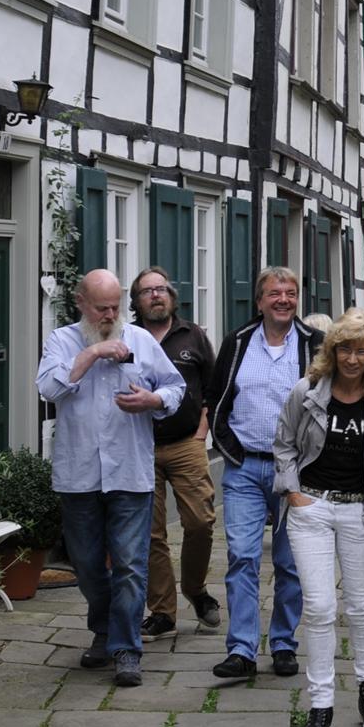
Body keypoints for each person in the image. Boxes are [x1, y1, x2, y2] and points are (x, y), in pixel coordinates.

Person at [35, 269, 186, 688]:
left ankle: (125, 648)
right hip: (78, 474)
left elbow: (175, 388)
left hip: (130, 472)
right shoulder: (61, 341)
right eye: (101, 308)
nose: (109, 315)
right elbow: (48, 389)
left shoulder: (140, 340)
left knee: (130, 566)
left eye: (115, 307)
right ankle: (104, 629)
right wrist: (92, 354)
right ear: (80, 303)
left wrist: (153, 400)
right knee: (85, 566)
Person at [273, 308, 364, 727]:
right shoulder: (307, 391)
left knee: (362, 608)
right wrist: (294, 493)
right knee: (319, 607)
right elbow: (284, 444)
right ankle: (320, 704)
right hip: (311, 508)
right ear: (331, 351)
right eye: (344, 349)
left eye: (361, 351)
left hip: (360, 511)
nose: (351, 358)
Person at [206, 266, 323, 682]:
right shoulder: (237, 342)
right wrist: (230, 451)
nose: (283, 300)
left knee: (291, 562)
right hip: (245, 468)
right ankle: (241, 650)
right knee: (242, 557)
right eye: (275, 293)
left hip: (297, 471)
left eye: (290, 293)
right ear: (259, 301)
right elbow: (217, 400)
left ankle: (283, 643)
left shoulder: (314, 344)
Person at [130, 267, 221, 640]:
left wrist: (203, 429)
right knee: (149, 533)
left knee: (200, 521)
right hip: (140, 446)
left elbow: (214, 386)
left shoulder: (193, 336)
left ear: (171, 295)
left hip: (186, 443)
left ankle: (195, 589)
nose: (156, 295)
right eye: (147, 291)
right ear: (136, 301)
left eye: (161, 289)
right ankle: (162, 610)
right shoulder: (128, 338)